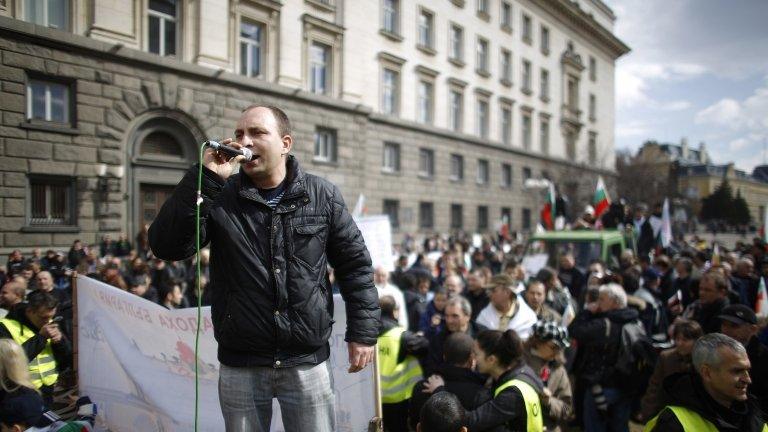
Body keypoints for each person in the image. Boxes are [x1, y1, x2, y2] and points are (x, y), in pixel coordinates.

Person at [148, 105, 380, 431]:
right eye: (240, 133)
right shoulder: (220, 194)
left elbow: (355, 267)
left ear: (285, 143)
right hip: (241, 363)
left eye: (257, 132)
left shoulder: (322, 195)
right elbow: (167, 246)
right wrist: (204, 179)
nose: (245, 140)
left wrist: (364, 334)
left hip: (305, 362)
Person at [424, 329, 544, 431]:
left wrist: (439, 390)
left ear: (491, 359)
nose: (473, 359)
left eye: (476, 354)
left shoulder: (513, 394)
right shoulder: (524, 370)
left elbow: (470, 421)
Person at [645, 333, 766, 432]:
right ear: (707, 373)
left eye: (747, 370)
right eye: (737, 371)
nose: (747, 379)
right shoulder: (673, 423)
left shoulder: (755, 419)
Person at [569, 283, 640, 432]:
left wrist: (587, 312)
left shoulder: (603, 324)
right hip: (626, 385)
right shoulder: (635, 321)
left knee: (595, 425)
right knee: (620, 426)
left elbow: (574, 330)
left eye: (602, 299)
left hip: (600, 387)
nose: (597, 303)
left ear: (614, 302)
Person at [0, 291, 71, 407]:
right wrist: (41, 338)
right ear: (29, 311)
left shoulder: (48, 323)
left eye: (51, 317)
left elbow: (67, 358)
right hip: (19, 393)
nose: (48, 321)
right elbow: (12, 362)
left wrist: (60, 342)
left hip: (47, 390)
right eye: (44, 317)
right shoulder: (5, 327)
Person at [410, 332, 490, 429]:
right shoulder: (480, 395)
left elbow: (413, 422)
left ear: (444, 356)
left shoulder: (422, 387)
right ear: (471, 359)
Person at [377, 295, 428, 432]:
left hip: (375, 397)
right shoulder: (401, 335)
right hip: (398, 400)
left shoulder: (367, 334)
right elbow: (425, 346)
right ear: (394, 311)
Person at [639, 319, 702, 422]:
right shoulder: (666, 357)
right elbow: (655, 386)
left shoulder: (703, 361)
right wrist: (648, 411)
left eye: (685, 340)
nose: (680, 343)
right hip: (670, 412)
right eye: (677, 339)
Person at [523, 320, 573, 432]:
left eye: (560, 348)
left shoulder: (559, 370)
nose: (557, 352)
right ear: (538, 342)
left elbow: (567, 409)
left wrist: (548, 401)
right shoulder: (518, 361)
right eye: (553, 347)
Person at [718, 304, 768, 414]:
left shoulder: (764, 358)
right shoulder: (714, 353)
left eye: (734, 326)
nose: (726, 330)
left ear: (753, 329)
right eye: (724, 324)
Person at [424, 296, 487, 373]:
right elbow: (431, 369)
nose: (449, 321)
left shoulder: (483, 335)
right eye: (446, 316)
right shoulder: (438, 340)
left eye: (455, 316)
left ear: (467, 316)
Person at [476, 274, 537, 339]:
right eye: (488, 290)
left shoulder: (528, 318)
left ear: (507, 292)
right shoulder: (484, 316)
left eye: (493, 290)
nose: (489, 294)